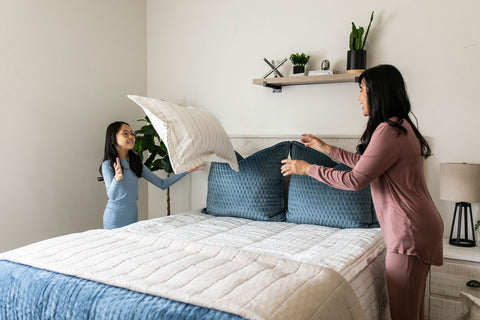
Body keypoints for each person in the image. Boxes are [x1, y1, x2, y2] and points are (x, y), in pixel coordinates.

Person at [280, 64, 443, 320]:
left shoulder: (388, 130)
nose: (358, 98)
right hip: (419, 226)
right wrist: (326, 149)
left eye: (362, 90)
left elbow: (356, 180)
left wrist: (308, 169)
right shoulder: (401, 126)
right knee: (414, 314)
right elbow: (367, 164)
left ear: (378, 93)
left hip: (408, 232)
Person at [98, 121, 204, 229]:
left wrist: (186, 170)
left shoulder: (136, 163)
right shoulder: (108, 165)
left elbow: (162, 184)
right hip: (114, 219)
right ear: (112, 139)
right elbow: (112, 196)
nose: (131, 137)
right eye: (125, 133)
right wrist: (117, 179)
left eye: (132, 133)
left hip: (132, 217)